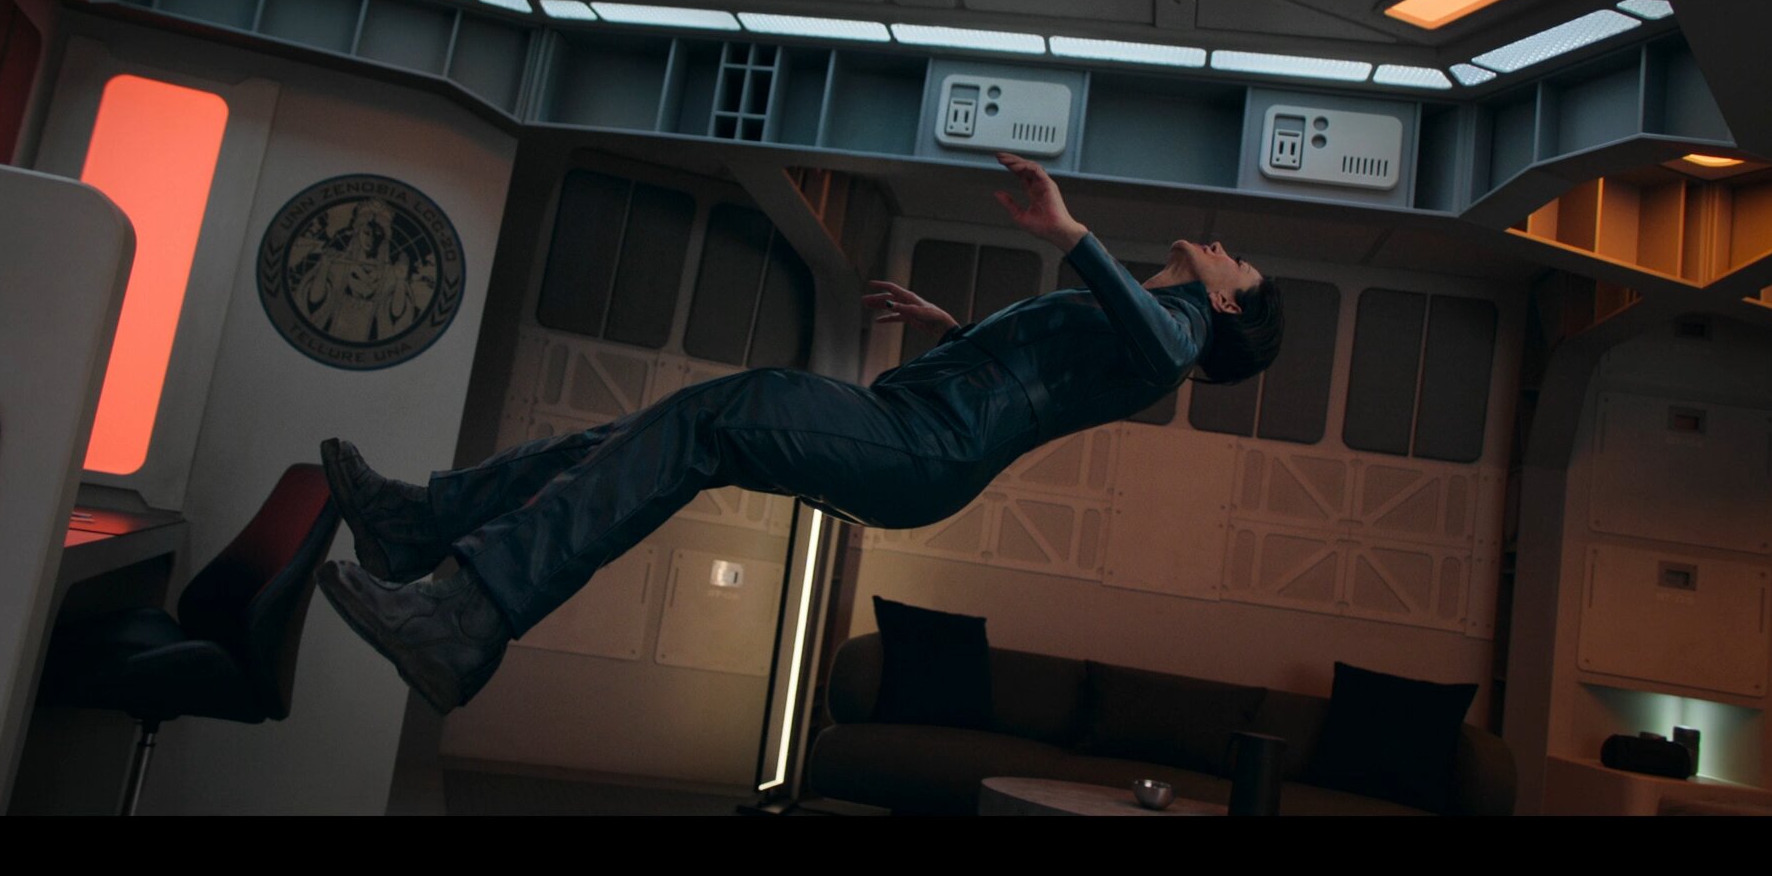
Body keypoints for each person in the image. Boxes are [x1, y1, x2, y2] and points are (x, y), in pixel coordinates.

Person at [317, 153, 1284, 714]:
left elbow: (1159, 349)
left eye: (1235, 265)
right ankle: (423, 528)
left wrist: (1070, 233)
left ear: (1229, 309)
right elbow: (1040, 380)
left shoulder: (1177, 331)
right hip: (920, 434)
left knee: (713, 413)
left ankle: (466, 618)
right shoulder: (1145, 329)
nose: (1222, 251)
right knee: (657, 431)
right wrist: (953, 328)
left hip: (925, 445)